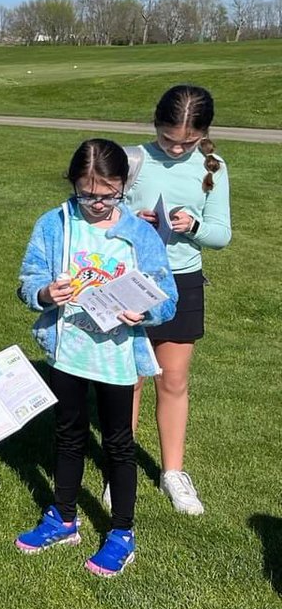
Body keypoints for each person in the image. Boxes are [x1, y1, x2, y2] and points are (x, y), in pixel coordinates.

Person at [15, 139, 177, 577]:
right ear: (73, 185)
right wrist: (44, 293)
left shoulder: (140, 233)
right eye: (88, 194)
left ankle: (122, 532)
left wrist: (145, 311)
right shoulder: (54, 224)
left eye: (109, 194)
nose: (98, 204)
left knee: (118, 443)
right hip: (68, 352)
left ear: (124, 186)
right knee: (67, 436)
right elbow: (29, 280)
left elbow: (168, 297)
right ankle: (63, 517)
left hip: (118, 359)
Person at [125, 85, 230, 515]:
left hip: (181, 282)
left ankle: (173, 472)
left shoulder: (214, 167)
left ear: (203, 134)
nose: (175, 147)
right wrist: (131, 221)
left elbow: (222, 234)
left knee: (173, 379)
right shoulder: (133, 159)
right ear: (155, 124)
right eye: (168, 138)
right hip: (130, 279)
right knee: (129, 379)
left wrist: (194, 224)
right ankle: (122, 467)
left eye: (186, 142)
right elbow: (97, 211)